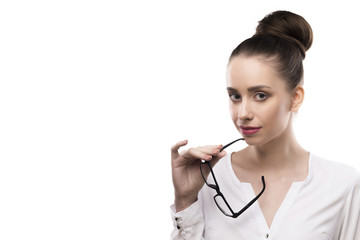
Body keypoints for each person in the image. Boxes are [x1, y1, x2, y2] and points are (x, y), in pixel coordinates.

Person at [170, 10, 360, 240]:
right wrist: (184, 200)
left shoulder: (341, 184)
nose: (243, 114)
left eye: (260, 95)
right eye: (235, 96)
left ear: (295, 98)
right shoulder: (209, 179)